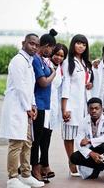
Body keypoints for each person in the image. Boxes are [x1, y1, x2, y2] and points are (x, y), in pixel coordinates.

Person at [0, 33, 44, 188]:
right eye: (31, 43)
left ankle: (26, 175)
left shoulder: (29, 62)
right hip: (17, 108)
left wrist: (33, 105)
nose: (34, 47)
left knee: (27, 143)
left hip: (25, 108)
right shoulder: (18, 61)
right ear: (23, 43)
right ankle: (12, 178)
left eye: (37, 45)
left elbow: (29, 88)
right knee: (16, 143)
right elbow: (19, 88)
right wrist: (28, 108)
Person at [61, 34, 94, 176]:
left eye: (84, 44)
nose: (81, 46)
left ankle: (81, 161)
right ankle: (71, 162)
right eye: (78, 43)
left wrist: (89, 84)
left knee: (80, 135)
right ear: (73, 44)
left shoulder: (85, 63)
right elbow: (66, 85)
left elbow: (85, 80)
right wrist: (65, 108)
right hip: (71, 105)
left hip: (83, 105)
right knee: (69, 136)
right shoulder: (68, 62)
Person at [70, 97, 104, 185]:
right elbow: (79, 141)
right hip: (93, 149)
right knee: (74, 157)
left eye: (96, 108)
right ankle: (99, 167)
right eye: (91, 108)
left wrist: (89, 141)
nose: (94, 111)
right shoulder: (84, 121)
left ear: (102, 108)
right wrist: (91, 153)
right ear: (88, 109)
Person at [30, 29, 57, 182]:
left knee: (40, 138)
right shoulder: (35, 60)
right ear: (46, 45)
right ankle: (35, 169)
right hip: (38, 104)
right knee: (36, 139)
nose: (51, 52)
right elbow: (43, 82)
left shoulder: (41, 60)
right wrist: (53, 72)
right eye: (51, 49)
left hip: (44, 105)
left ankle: (37, 166)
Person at [40, 43, 68, 182]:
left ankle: (42, 164)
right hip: (43, 105)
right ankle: (44, 165)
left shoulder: (62, 68)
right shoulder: (45, 64)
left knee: (47, 137)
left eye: (62, 55)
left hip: (53, 107)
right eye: (57, 54)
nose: (58, 57)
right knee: (41, 138)